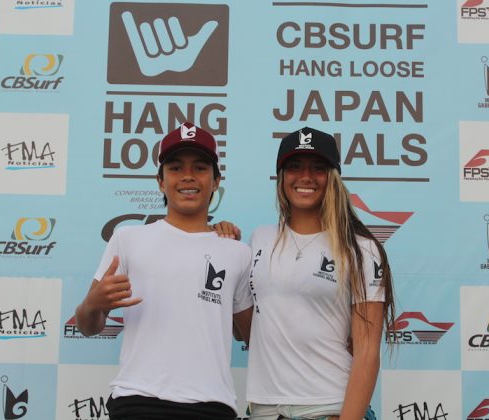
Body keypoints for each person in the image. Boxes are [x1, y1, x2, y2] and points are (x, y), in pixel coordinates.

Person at [75, 122, 254, 420]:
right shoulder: (127, 239)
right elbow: (87, 325)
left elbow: (248, 334)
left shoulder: (236, 251)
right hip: (137, 402)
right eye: (174, 168)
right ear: (160, 181)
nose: (187, 176)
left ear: (216, 180)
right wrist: (93, 304)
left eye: (199, 167)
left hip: (212, 406)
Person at [218, 127, 395, 420]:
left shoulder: (360, 248)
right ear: (281, 177)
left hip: (329, 407)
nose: (305, 177)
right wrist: (219, 244)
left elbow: (366, 351)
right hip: (264, 410)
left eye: (318, 168)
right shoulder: (260, 239)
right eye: (295, 166)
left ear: (334, 177)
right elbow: (252, 330)